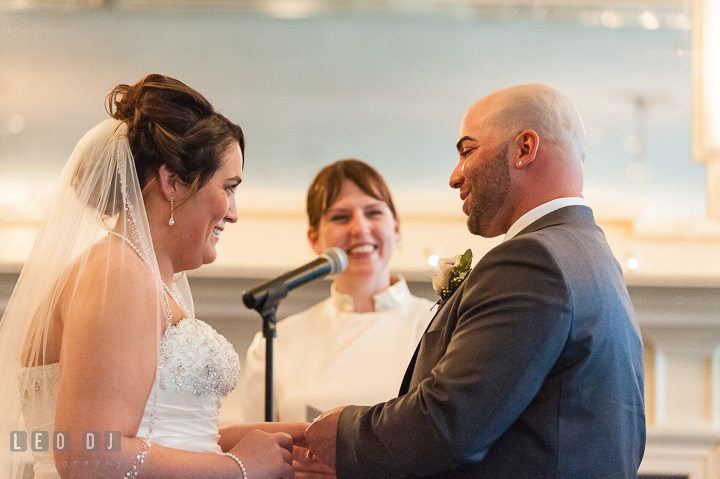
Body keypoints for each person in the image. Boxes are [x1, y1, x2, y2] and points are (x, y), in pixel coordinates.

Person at [305, 84, 646, 477]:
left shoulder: (532, 261)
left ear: (524, 149)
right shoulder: (593, 256)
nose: (454, 177)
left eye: (467, 151)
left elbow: (448, 424)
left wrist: (343, 433)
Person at [0, 74, 311, 479]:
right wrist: (238, 467)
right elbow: (87, 455)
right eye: (229, 187)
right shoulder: (118, 273)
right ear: (173, 182)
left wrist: (290, 438)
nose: (233, 212)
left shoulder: (145, 275)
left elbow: (162, 434)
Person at [240, 159, 435, 425]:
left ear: (396, 229)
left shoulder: (438, 324)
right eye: (340, 217)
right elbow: (258, 452)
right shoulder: (276, 342)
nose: (360, 228)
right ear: (314, 239)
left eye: (374, 213)